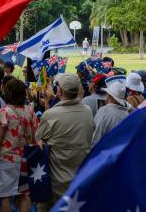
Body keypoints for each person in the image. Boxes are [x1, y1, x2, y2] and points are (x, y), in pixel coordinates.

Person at [35, 73, 94, 210]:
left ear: (60, 91)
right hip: (79, 181)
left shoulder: (50, 114)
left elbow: (38, 138)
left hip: (56, 185)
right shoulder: (87, 111)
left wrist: (48, 104)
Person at [0, 79, 38, 212]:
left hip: (7, 160)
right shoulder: (30, 111)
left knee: (5, 197)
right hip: (26, 160)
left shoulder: (3, 113)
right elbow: (36, 137)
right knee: (25, 195)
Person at [92, 82, 129, 146]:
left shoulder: (104, 111)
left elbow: (95, 137)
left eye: (106, 94)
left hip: (105, 153)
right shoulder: (127, 114)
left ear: (109, 96)